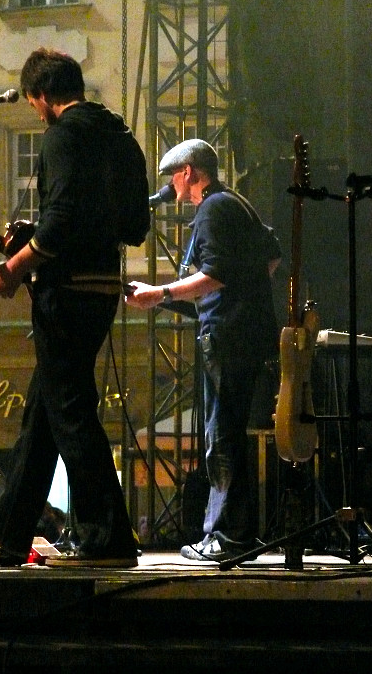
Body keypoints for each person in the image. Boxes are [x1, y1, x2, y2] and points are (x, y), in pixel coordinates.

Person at [0, 47, 150, 568]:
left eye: (33, 103)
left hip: (64, 294)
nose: (36, 112)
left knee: (69, 415)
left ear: (41, 95)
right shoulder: (121, 136)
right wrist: (46, 234)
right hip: (101, 290)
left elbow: (64, 215)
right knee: (44, 412)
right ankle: (11, 528)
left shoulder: (65, 134)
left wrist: (16, 264)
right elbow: (133, 225)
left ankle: (106, 538)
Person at [125, 138, 281, 563]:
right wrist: (242, 295)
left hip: (228, 338)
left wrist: (160, 293)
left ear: (189, 172)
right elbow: (271, 254)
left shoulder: (212, 209)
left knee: (221, 436)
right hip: (244, 334)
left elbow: (213, 274)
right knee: (226, 432)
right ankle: (236, 534)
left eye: (172, 177)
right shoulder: (236, 203)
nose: (170, 186)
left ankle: (226, 538)